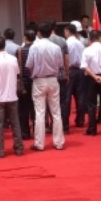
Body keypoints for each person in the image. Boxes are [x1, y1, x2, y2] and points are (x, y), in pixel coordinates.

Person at [25, 22, 65, 151]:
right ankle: (59, 142)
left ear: (39, 33)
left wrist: (36, 75)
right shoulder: (56, 47)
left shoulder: (34, 47)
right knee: (56, 112)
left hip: (39, 80)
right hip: (53, 79)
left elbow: (29, 65)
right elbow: (60, 65)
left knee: (40, 113)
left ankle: (39, 143)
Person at [0, 36, 24, 158]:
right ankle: (19, 148)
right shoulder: (13, 59)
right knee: (15, 123)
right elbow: (17, 74)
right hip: (12, 95)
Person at [65, 21, 85, 130]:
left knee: (67, 97)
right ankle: (80, 120)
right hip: (80, 70)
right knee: (80, 96)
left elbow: (66, 59)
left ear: (68, 31)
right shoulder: (80, 43)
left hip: (70, 70)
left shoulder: (67, 43)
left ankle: (66, 122)